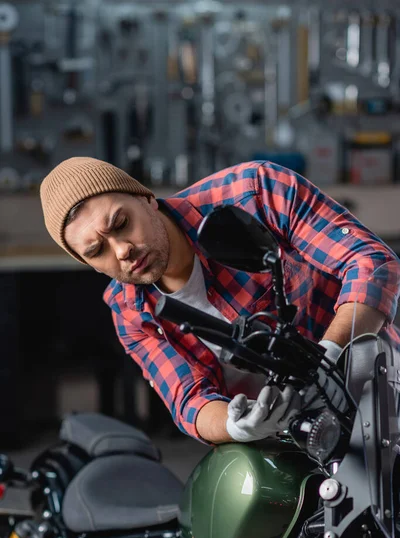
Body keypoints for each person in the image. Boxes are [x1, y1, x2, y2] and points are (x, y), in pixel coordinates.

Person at [40, 157, 400, 444]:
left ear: (146, 198)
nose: (122, 251)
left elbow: (371, 263)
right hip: (300, 437)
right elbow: (189, 400)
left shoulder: (253, 192)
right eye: (97, 251)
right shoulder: (131, 312)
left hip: (384, 386)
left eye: (121, 223)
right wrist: (237, 426)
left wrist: (328, 357)